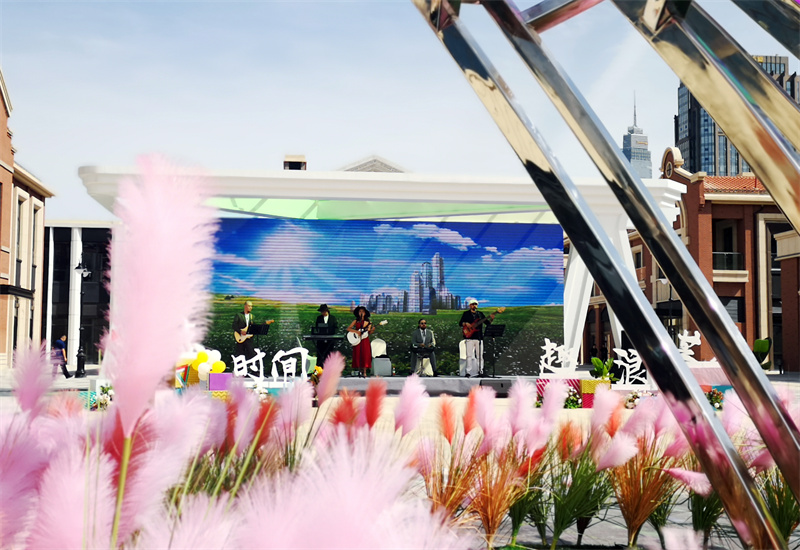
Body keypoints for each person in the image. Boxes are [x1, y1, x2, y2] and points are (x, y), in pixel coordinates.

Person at [458, 299, 495, 377]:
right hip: (469, 337)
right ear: (470, 305)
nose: (474, 306)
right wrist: (465, 323)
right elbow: (460, 323)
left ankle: (480, 371)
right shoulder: (466, 314)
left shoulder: (480, 314)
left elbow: (487, 323)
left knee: (480, 356)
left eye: (475, 304)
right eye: (472, 304)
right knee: (469, 355)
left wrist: (491, 318)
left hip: (479, 338)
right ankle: (468, 372)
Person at [347, 306, 374, 378]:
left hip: (365, 340)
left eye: (363, 311)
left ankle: (364, 372)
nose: (361, 313)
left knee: (365, 354)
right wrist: (356, 331)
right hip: (357, 340)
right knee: (358, 354)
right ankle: (359, 370)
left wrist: (372, 330)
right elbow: (348, 328)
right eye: (360, 311)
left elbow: (369, 332)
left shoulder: (368, 322)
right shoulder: (356, 321)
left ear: (365, 313)